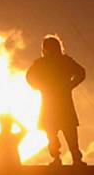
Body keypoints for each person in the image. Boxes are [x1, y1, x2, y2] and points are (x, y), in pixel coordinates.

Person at [26, 35, 87, 166]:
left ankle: (60, 158)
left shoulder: (43, 63)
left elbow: (29, 77)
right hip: (60, 101)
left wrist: (40, 87)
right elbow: (81, 73)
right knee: (65, 131)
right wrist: (70, 85)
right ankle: (74, 158)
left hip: (52, 102)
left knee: (55, 132)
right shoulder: (62, 61)